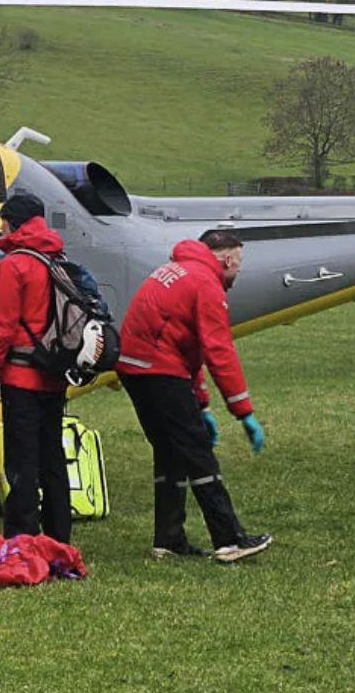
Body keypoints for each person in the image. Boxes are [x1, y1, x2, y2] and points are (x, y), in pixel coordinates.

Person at [115, 231, 272, 563]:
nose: (238, 274)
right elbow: (218, 350)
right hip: (157, 369)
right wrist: (243, 412)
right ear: (227, 259)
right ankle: (229, 539)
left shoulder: (179, 270)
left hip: (136, 367)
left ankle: (169, 539)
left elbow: (187, 347)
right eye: (239, 265)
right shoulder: (205, 282)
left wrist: (201, 403)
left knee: (171, 451)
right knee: (196, 451)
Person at [0, 193, 72, 543]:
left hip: (21, 376)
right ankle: (60, 535)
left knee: (21, 461)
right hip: (54, 374)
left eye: (3, 219)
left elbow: (1, 328)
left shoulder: (15, 264)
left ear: (13, 221)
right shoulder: (56, 256)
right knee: (53, 458)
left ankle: (22, 537)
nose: (0, 225)